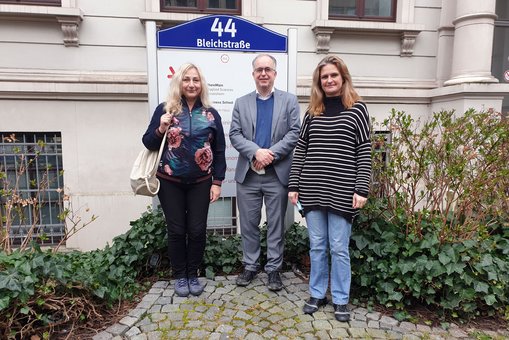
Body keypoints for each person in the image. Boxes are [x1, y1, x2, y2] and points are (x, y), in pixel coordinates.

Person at [288, 55, 371, 322]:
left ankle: (341, 298)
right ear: (319, 82)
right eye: (324, 77)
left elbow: (364, 150)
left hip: (343, 190)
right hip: (312, 188)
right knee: (317, 246)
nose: (329, 80)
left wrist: (361, 188)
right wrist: (294, 185)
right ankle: (316, 293)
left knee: (338, 247)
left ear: (343, 78)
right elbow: (301, 149)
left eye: (334, 75)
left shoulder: (357, 109)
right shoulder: (313, 111)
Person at [142, 63, 226, 297]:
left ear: (201, 84)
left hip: (201, 182)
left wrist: (217, 182)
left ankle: (192, 274)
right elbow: (148, 142)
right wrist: (160, 128)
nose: (191, 84)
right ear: (179, 82)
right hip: (170, 182)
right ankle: (180, 277)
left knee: (197, 230)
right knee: (177, 230)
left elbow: (219, 150)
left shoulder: (211, 113)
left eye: (195, 80)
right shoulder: (165, 110)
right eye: (187, 79)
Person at [229, 54, 301, 291]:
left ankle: (273, 269)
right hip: (248, 175)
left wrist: (270, 154)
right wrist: (255, 152)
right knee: (249, 224)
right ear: (253, 74)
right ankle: (250, 265)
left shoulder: (289, 101)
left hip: (276, 175)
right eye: (259, 69)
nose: (263, 73)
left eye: (267, 69)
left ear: (274, 74)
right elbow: (235, 134)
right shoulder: (241, 102)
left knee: (276, 225)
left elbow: (294, 133)